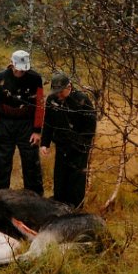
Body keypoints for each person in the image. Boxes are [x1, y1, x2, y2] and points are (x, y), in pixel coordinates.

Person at [0, 50, 45, 195]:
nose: (20, 71)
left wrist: (37, 130)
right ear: (12, 63)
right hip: (5, 124)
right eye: (18, 68)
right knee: (1, 164)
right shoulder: (0, 78)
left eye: (23, 69)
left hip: (27, 125)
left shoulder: (35, 78)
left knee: (31, 165)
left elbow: (40, 105)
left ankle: (35, 200)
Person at [40, 73, 97, 209]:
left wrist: (79, 145)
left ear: (69, 87)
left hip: (79, 148)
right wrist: (44, 143)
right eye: (55, 92)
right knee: (60, 177)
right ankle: (59, 205)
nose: (58, 95)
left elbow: (90, 128)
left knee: (76, 179)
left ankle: (75, 208)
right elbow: (48, 122)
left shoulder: (82, 101)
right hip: (61, 145)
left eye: (60, 92)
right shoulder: (52, 100)